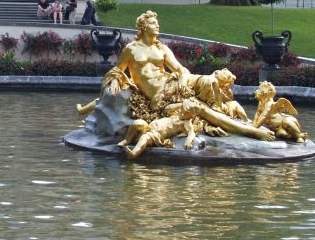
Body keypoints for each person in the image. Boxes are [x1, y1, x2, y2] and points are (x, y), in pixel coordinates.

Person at [102, 10, 274, 141]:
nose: (157, 25)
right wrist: (115, 79)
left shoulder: (161, 48)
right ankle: (248, 130)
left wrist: (183, 78)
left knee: (209, 80)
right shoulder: (131, 49)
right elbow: (117, 70)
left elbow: (180, 69)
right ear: (143, 26)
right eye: (153, 23)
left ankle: (221, 114)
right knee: (199, 107)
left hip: (174, 83)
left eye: (157, 22)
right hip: (159, 95)